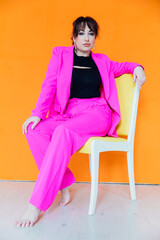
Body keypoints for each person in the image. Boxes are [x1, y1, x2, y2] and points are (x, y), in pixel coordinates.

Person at [13, 16, 146, 227]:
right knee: (34, 130)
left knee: (63, 132)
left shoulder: (103, 61)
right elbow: (48, 85)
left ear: (95, 38)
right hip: (69, 113)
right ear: (73, 37)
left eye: (91, 33)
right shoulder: (60, 56)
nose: (86, 38)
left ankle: (35, 206)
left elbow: (127, 66)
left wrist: (138, 67)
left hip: (96, 113)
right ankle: (63, 184)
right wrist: (37, 113)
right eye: (81, 33)